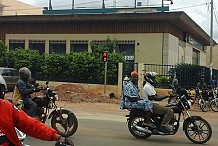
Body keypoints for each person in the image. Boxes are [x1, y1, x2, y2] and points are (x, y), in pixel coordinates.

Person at [0, 98, 74, 146]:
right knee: (34, 105)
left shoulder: (6, 107)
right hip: (20, 99)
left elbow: (30, 124)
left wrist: (56, 137)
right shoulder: (20, 83)